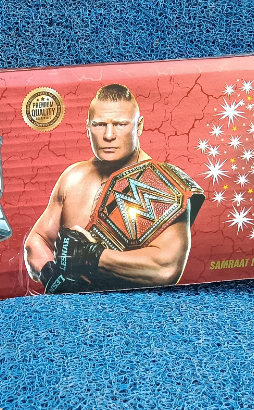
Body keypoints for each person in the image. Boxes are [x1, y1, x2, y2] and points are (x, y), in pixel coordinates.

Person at [24, 84, 204, 294]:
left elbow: (166, 267)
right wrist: (50, 276)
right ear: (87, 127)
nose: (109, 135)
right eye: (99, 124)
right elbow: (37, 240)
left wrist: (93, 257)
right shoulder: (73, 177)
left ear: (139, 126)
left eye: (120, 124)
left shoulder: (165, 184)